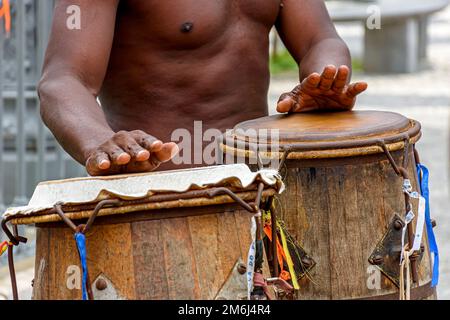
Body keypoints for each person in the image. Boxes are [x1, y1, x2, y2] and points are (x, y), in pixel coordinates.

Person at [38, 0, 367, 176]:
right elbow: (63, 81)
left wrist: (325, 78)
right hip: (155, 195)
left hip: (259, 185)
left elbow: (319, 39)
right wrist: (99, 143)